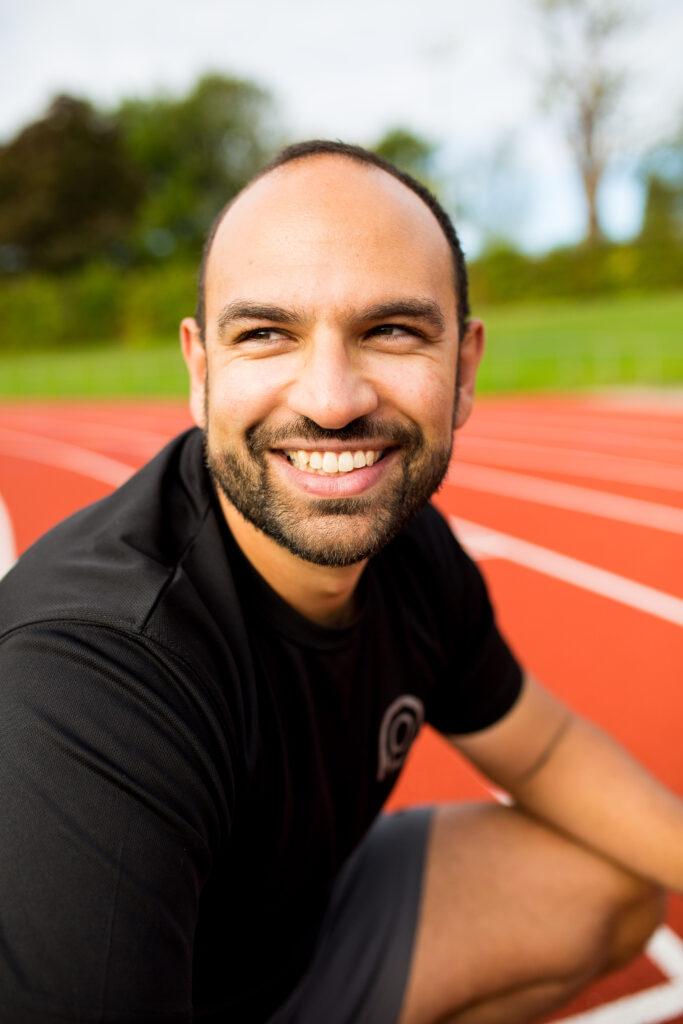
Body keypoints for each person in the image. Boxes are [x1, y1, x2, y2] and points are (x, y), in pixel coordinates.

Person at [0, 140, 680, 1024]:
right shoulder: (91, 675)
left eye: (390, 330)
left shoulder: (409, 544)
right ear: (201, 371)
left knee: (614, 883)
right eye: (266, 333)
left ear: (465, 369)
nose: (330, 398)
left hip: (291, 945)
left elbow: (541, 748)